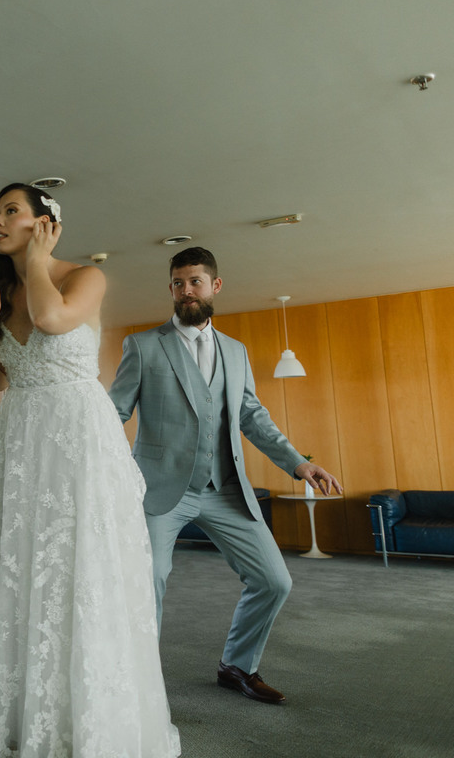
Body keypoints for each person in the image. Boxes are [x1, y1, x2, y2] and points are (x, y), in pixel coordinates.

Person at [0, 183, 179, 757]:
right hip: (21, 436)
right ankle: (23, 714)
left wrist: (37, 262)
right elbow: (10, 375)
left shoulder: (83, 278)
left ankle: (89, 718)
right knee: (20, 564)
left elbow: (51, 319)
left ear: (44, 222)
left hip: (78, 437)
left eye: (10, 211)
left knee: (79, 567)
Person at [109, 246, 342, 705]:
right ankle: (138, 684)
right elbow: (112, 411)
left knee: (275, 581)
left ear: (215, 286)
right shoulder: (143, 345)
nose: (186, 291)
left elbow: (252, 415)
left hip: (225, 489)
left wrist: (299, 462)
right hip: (160, 488)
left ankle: (238, 665)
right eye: (178, 283)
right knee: (149, 577)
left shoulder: (235, 351)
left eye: (195, 281)